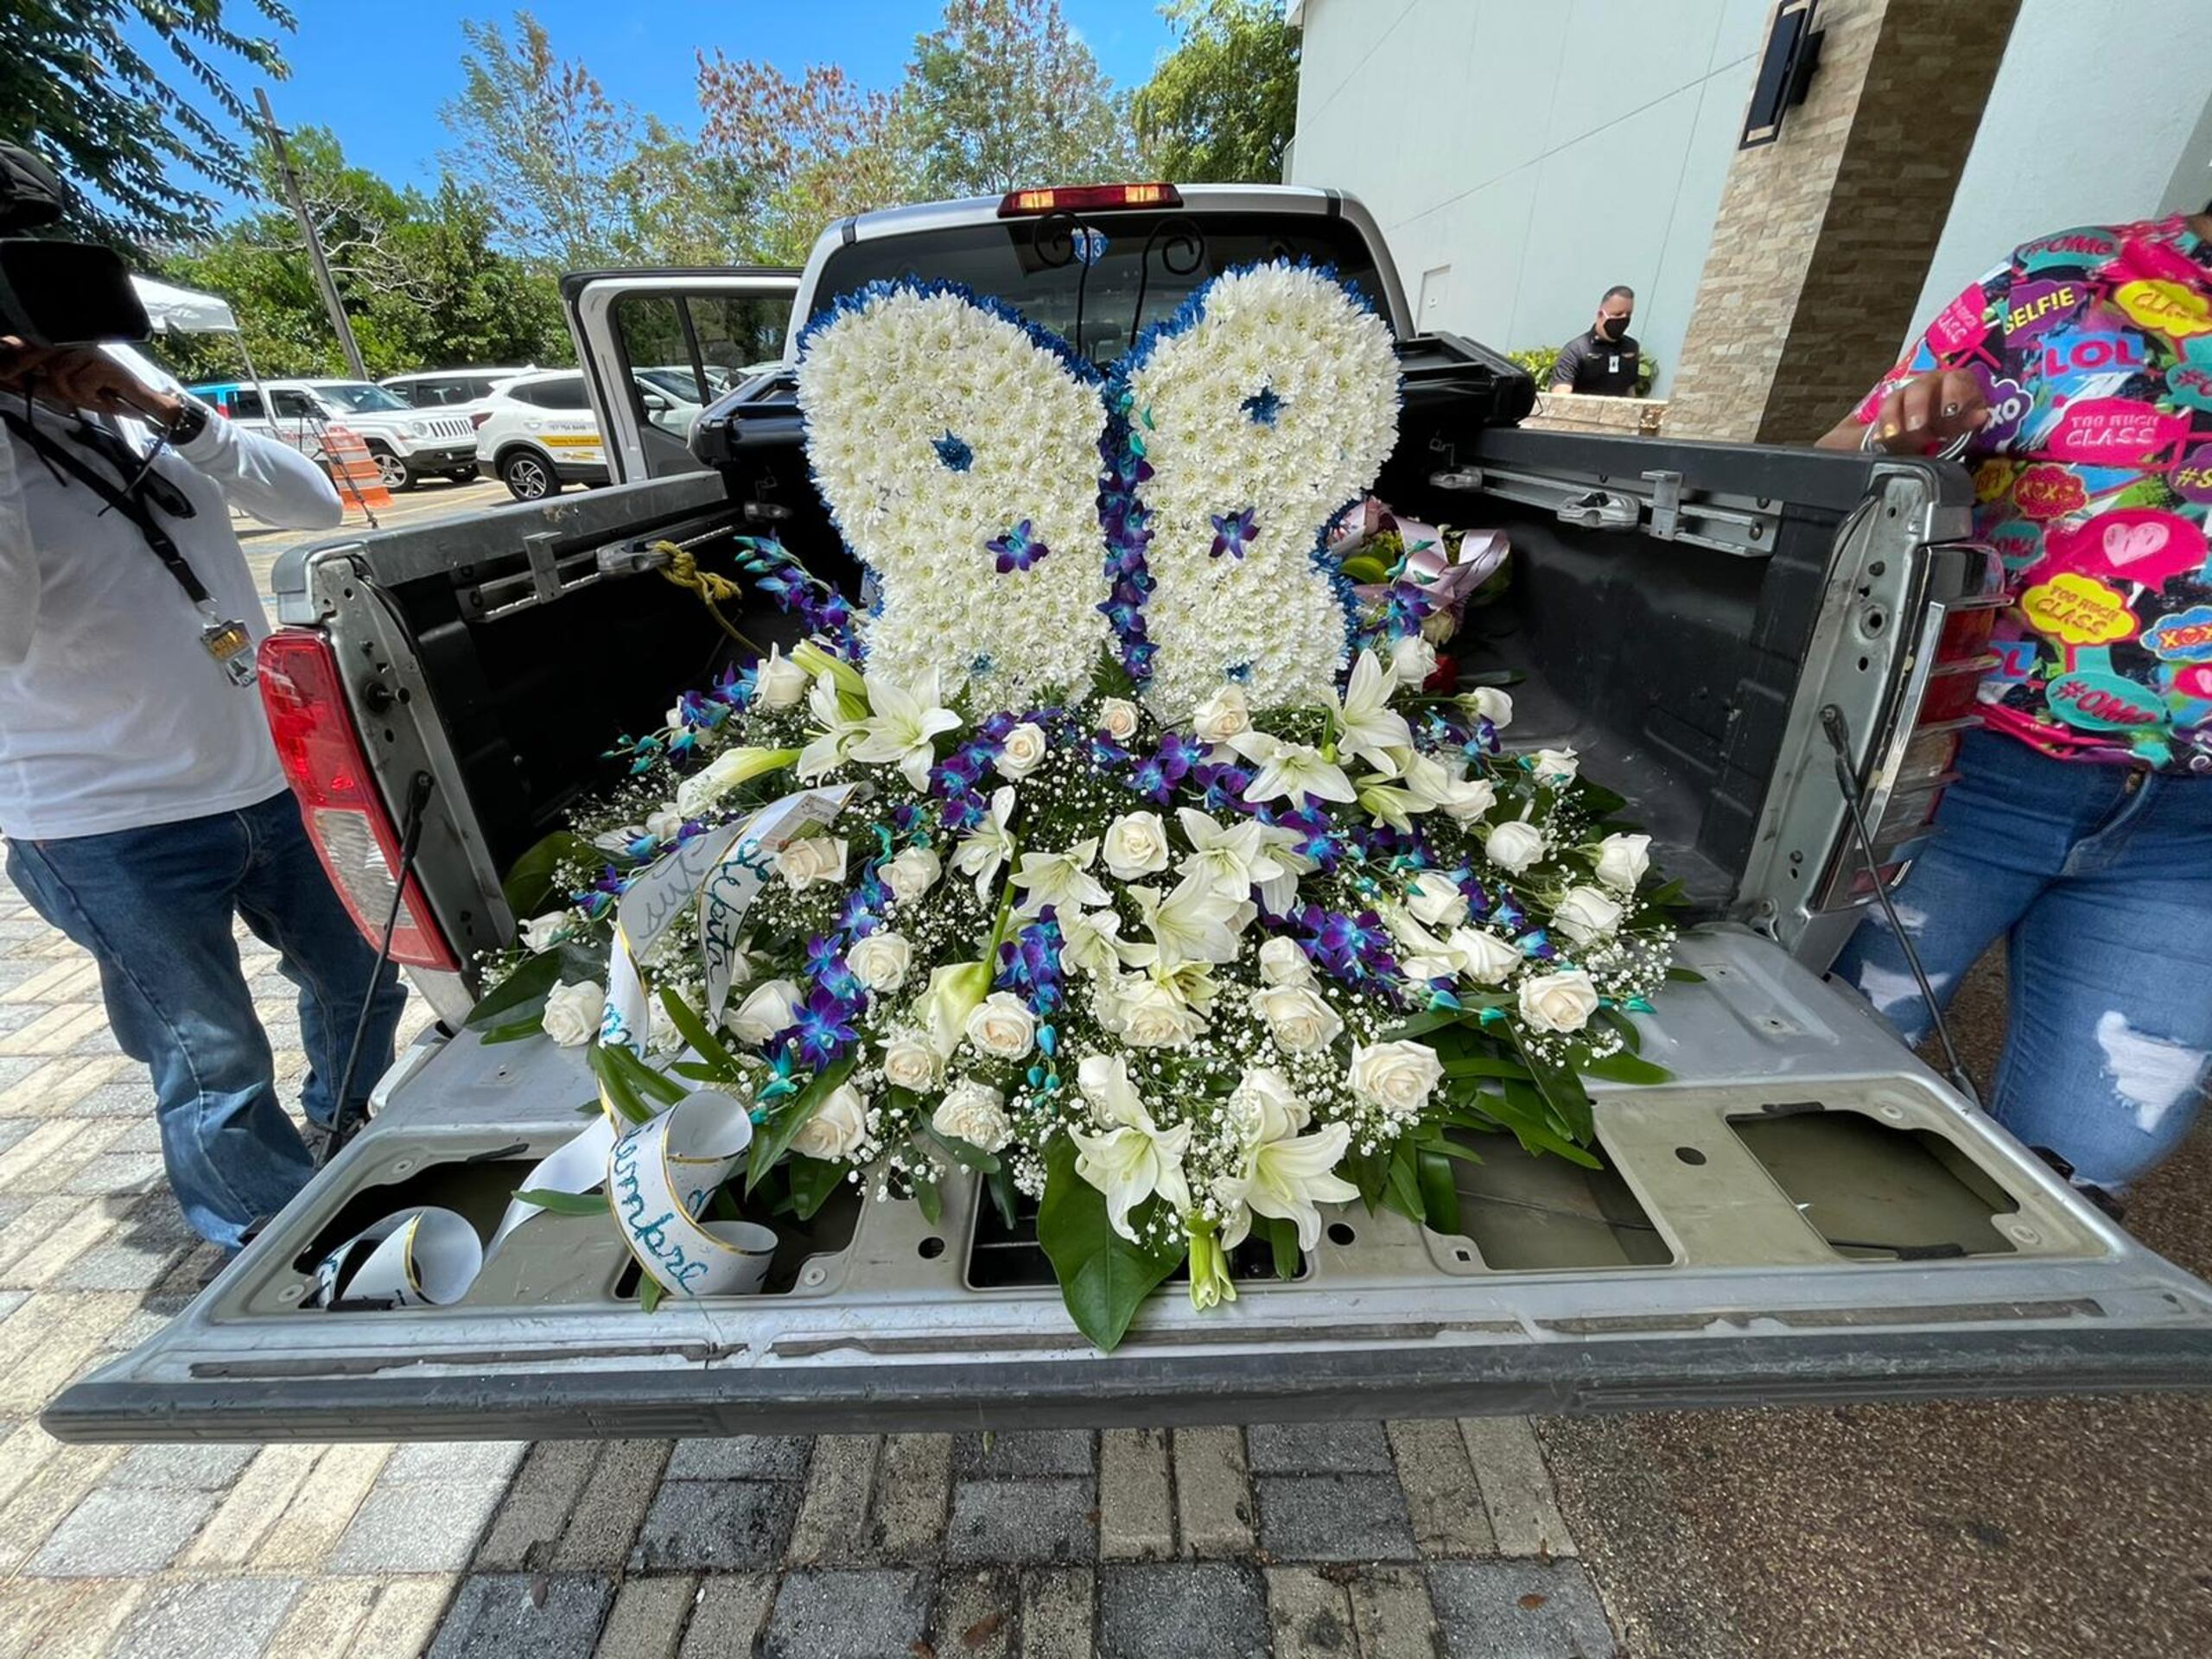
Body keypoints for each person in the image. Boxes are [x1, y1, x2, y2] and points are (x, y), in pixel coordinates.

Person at [1815, 205, 2212, 1197]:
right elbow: (1829, 471)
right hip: (1966, 775)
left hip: (2191, 834)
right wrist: (1907, 440)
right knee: (1823, 1098)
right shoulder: (2073, 277)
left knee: (2086, 1164)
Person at [1, 328, 410, 1254]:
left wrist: (169, 412)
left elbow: (313, 505)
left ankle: (340, 1135)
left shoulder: (120, 381)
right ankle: (284, 1252)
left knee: (365, 977)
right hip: (105, 824)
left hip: (267, 780)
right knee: (211, 1058)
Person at [1549, 285, 1641, 397]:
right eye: (1618, 314)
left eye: (1628, 314)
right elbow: (1561, 395)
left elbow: (1630, 390)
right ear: (1601, 315)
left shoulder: (1631, 347)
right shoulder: (1577, 350)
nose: (1624, 319)